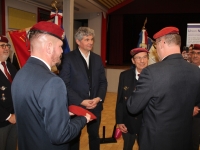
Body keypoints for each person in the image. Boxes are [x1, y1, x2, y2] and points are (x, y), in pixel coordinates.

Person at [11, 21, 92, 150]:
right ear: (49, 47)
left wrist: (62, 114)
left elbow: (35, 114)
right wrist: (82, 119)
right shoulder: (53, 82)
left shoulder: (20, 74)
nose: (62, 52)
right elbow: (60, 135)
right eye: (60, 46)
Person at [126, 26, 200, 150]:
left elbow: (133, 107)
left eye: (155, 46)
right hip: (184, 139)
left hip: (157, 142)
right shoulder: (195, 71)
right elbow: (196, 102)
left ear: (162, 43)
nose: (156, 50)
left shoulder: (151, 72)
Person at [59, 27, 107, 150]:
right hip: (76, 107)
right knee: (74, 138)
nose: (91, 42)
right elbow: (64, 84)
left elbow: (103, 82)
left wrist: (98, 98)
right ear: (78, 41)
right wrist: (81, 101)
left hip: (95, 106)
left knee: (94, 136)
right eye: (87, 39)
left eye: (92, 39)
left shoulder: (97, 58)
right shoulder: (68, 58)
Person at [115, 47, 148, 150]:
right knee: (127, 147)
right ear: (133, 61)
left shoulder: (155, 75)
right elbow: (120, 100)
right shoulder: (124, 75)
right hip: (128, 122)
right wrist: (120, 121)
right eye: (138, 58)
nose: (142, 61)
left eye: (144, 57)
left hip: (146, 123)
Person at [0, 35, 17, 150]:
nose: (6, 48)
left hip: (15, 118)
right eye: (2, 46)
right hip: (2, 120)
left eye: (7, 45)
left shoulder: (11, 67)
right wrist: (7, 116)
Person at [191, 44, 200, 150]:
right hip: (183, 113)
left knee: (194, 143)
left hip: (198, 115)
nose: (195, 56)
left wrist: (197, 107)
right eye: (193, 53)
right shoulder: (183, 70)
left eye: (198, 53)